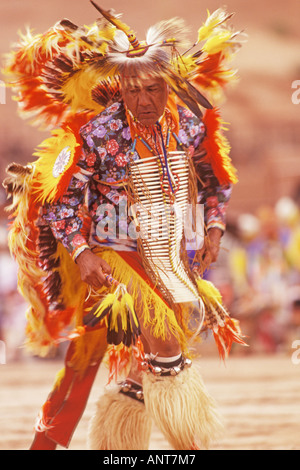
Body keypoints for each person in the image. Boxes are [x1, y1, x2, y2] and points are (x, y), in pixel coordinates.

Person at [3, 2, 246, 450]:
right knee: (166, 349)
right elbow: (60, 202)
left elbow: (216, 181)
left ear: (167, 86)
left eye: (154, 89)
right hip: (112, 259)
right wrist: (82, 252)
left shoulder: (188, 125)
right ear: (121, 88)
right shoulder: (96, 134)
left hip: (172, 255)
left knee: (90, 363)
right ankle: (189, 447)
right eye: (134, 91)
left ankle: (102, 443)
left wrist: (213, 229)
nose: (145, 101)